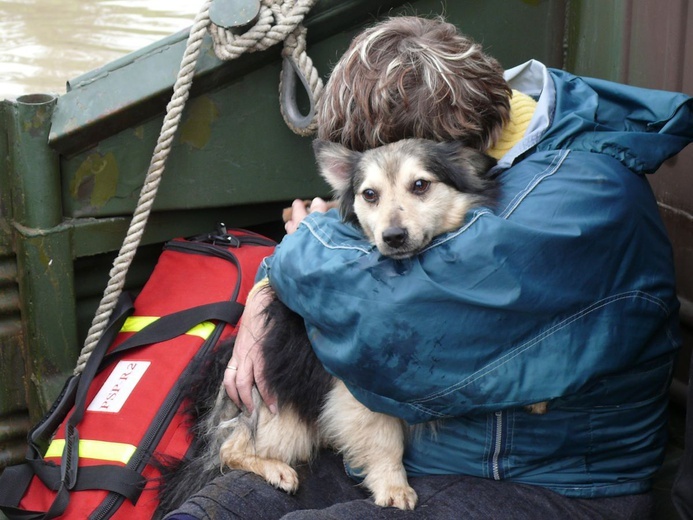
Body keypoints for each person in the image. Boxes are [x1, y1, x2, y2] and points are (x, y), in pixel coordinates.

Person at [167, 16, 693, 519]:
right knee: (222, 508)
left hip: (548, 484)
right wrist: (267, 288)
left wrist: (289, 257)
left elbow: (391, 315)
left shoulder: (576, 202)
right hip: (428, 447)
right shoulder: (487, 152)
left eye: (412, 179)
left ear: (449, 148)